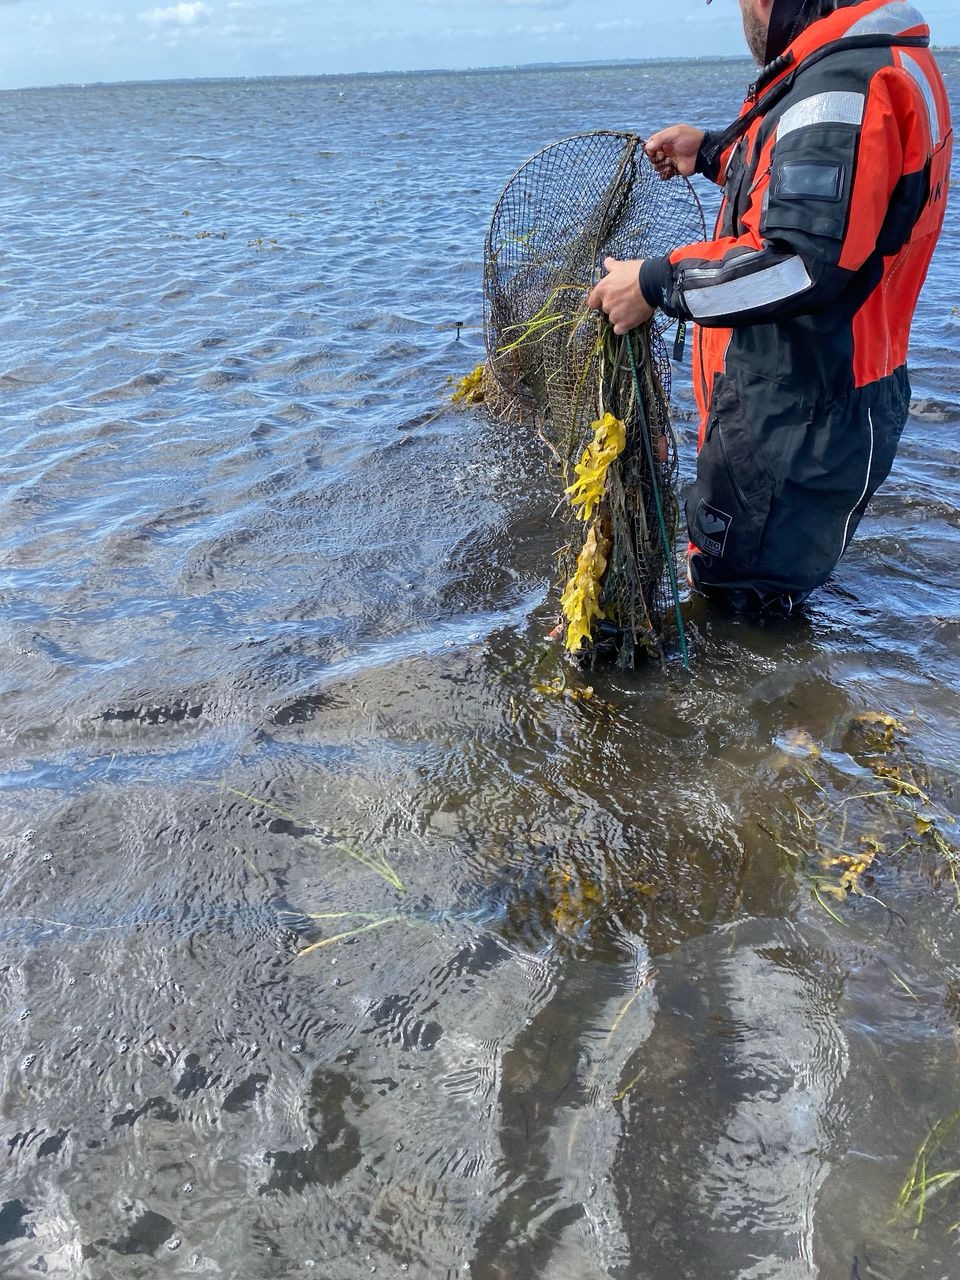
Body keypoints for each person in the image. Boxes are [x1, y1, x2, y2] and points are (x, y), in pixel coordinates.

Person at [587, 0, 952, 618]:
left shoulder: (844, 83)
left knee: (740, 611)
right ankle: (798, 697)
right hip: (826, 395)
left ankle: (780, 706)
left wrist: (653, 284)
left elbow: (800, 263)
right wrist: (711, 153)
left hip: (798, 413)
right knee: (760, 590)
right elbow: (837, 200)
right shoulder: (875, 64)